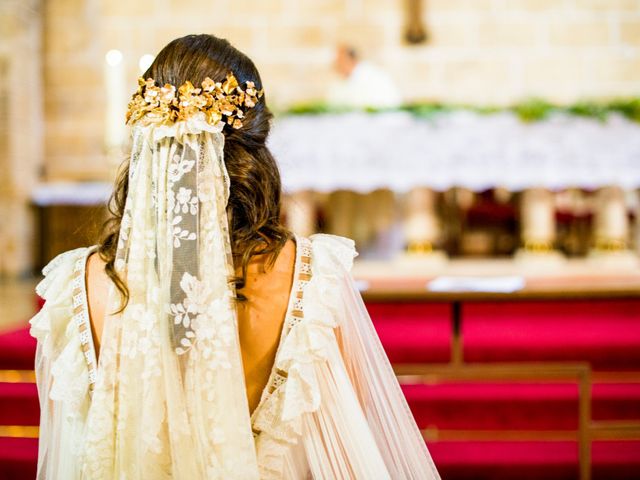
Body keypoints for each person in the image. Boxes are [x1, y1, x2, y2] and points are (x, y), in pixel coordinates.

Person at [29, 34, 440, 479]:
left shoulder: (75, 284)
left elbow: (72, 447)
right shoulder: (313, 278)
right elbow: (350, 428)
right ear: (253, 145)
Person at [327, 44, 402, 109]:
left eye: (339, 59)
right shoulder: (340, 81)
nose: (335, 64)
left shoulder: (374, 77)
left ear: (351, 59)